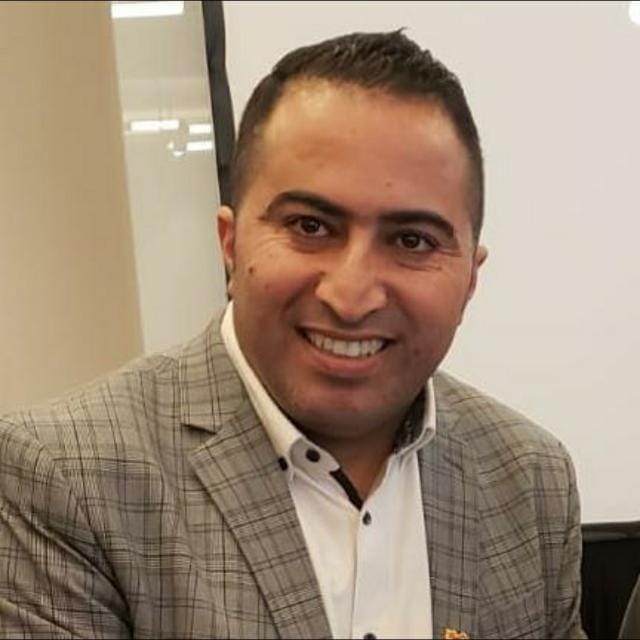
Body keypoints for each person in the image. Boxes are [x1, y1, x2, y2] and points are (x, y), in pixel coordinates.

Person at [0, 30, 585, 639]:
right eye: (310, 226)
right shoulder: (66, 479)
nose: (351, 295)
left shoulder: (529, 477)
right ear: (230, 244)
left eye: (412, 240)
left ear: (470, 278)